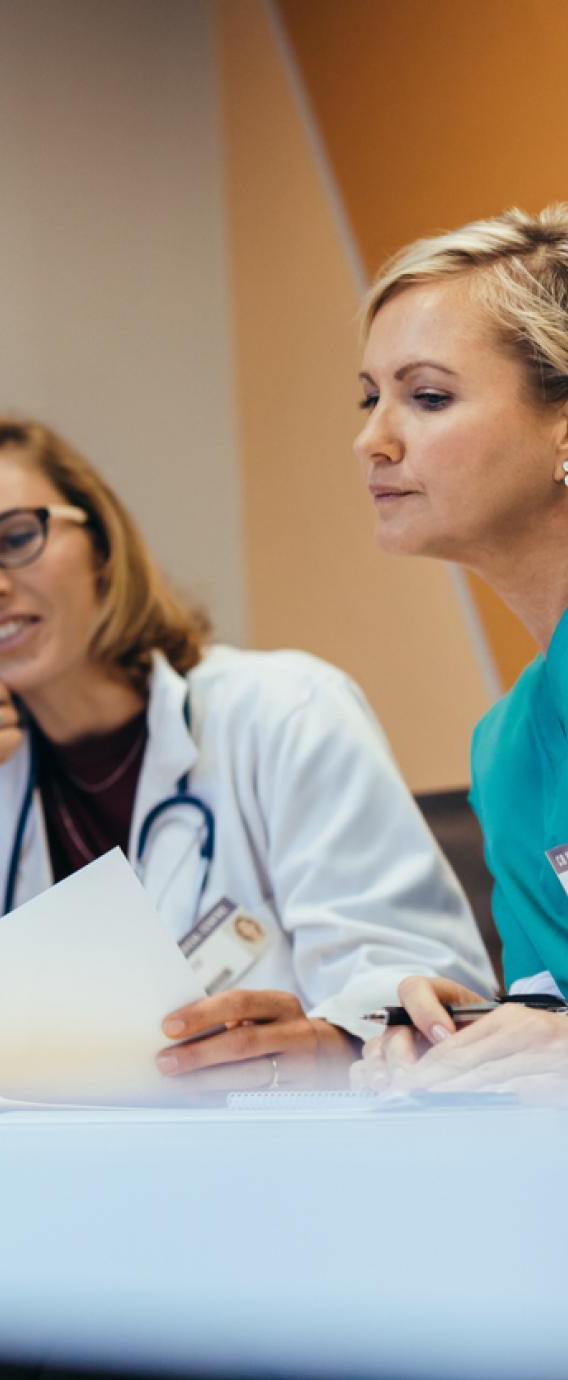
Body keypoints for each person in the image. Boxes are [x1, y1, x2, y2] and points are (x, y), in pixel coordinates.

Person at [0, 414, 491, 1094]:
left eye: (16, 538)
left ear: (100, 546)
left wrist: (325, 1046)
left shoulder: (283, 711)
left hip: (297, 1164)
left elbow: (423, 988)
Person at [346, 205, 568, 1104]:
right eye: (370, 398)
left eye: (427, 397)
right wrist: (468, 1038)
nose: (372, 439)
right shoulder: (510, 747)